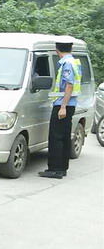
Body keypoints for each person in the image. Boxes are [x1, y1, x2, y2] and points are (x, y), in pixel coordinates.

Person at [39, 37, 82, 179]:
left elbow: (69, 85)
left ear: (57, 49)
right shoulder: (74, 62)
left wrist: (63, 106)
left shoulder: (67, 64)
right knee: (64, 136)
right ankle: (62, 168)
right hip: (70, 104)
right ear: (71, 48)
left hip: (63, 104)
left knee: (56, 137)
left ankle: (55, 169)